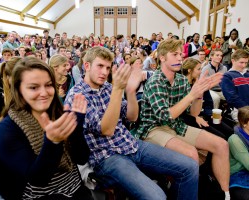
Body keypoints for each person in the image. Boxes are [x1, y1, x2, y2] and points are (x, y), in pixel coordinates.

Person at [65, 46, 199, 200]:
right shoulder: (77, 95)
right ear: (87, 66)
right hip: (107, 158)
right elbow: (106, 130)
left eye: (108, 67)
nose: (104, 72)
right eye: (100, 66)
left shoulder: (108, 88)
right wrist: (117, 90)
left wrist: (130, 92)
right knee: (157, 197)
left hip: (131, 144)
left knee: (190, 166)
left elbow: (132, 117)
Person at [136, 39, 231, 200]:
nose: (180, 58)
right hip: (153, 129)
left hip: (176, 125)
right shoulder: (155, 81)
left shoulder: (180, 80)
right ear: (162, 57)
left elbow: (193, 113)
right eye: (175, 54)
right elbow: (165, 115)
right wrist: (191, 95)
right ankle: (182, 190)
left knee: (221, 144)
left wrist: (200, 92)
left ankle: (225, 194)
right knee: (191, 154)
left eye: (181, 54)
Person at [0, 57, 94, 199]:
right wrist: (53, 142)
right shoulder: (7, 130)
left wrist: (76, 127)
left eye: (48, 85)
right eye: (34, 87)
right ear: (19, 90)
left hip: (75, 190)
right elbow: (38, 179)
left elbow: (81, 158)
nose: (44, 93)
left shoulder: (57, 113)